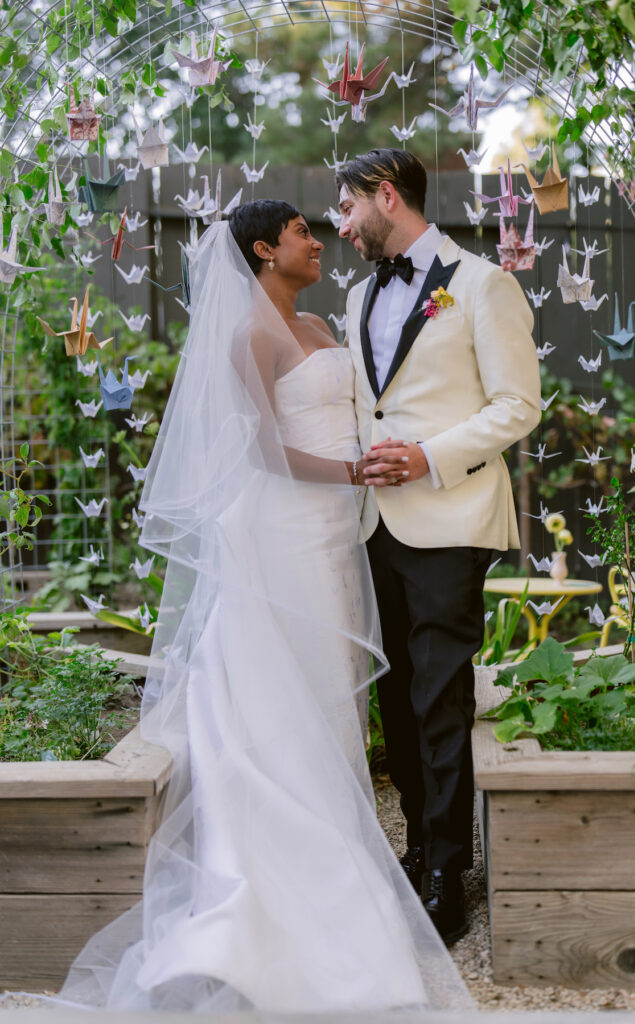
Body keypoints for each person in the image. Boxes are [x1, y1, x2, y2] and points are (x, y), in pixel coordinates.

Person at [31, 202, 472, 1014]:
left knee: (331, 706)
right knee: (283, 700)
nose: (319, 241)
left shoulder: (321, 326)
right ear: (265, 251)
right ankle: (272, 898)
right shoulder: (251, 337)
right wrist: (351, 477)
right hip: (277, 533)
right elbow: (263, 449)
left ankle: (334, 869)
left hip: (336, 537)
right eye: (305, 233)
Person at [337, 149, 542, 943]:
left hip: (449, 519)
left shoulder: (483, 284)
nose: (342, 224)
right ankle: (419, 846)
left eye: (348, 207)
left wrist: (427, 455)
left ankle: (446, 875)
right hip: (373, 523)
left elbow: (516, 404)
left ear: (387, 196)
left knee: (439, 696)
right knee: (395, 700)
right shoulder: (357, 292)